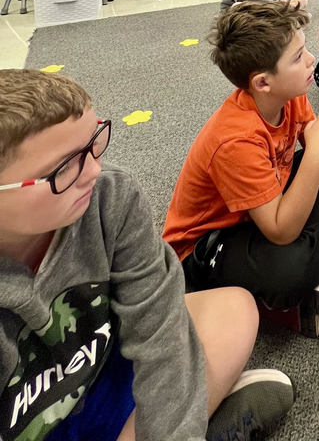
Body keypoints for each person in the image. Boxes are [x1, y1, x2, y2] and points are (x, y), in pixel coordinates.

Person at [0, 69, 296, 441]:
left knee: (232, 310)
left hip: (105, 374)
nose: (93, 170)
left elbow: (160, 328)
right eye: (65, 166)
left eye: (94, 142)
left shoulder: (109, 196)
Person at [163, 3, 319, 339]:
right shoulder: (234, 139)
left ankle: (300, 266)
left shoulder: (288, 94)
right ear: (262, 82)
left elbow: (314, 136)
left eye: (305, 49)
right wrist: (316, 152)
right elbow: (281, 232)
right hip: (205, 247)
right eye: (297, 56)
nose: (311, 60)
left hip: (263, 211)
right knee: (287, 271)